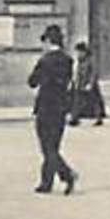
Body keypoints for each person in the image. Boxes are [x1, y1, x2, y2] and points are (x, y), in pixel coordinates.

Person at [27, 24, 79, 195]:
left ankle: (67, 174)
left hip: (45, 106)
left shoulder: (45, 60)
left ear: (48, 41)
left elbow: (32, 82)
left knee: (46, 147)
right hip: (61, 107)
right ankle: (46, 182)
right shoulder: (68, 60)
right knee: (53, 145)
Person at [68, 42, 106, 126]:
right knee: (77, 101)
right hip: (79, 83)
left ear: (84, 52)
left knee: (94, 101)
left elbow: (93, 73)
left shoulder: (90, 60)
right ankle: (74, 118)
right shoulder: (78, 61)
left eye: (79, 52)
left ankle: (98, 117)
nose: (78, 54)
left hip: (89, 84)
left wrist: (90, 84)